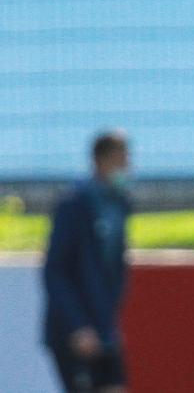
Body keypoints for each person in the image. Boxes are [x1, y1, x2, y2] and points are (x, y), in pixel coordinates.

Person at [43, 130, 133, 393]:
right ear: (101, 160)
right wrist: (77, 326)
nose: (126, 166)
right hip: (74, 332)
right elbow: (55, 270)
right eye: (120, 159)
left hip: (104, 328)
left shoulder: (119, 202)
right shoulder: (75, 204)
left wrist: (108, 322)